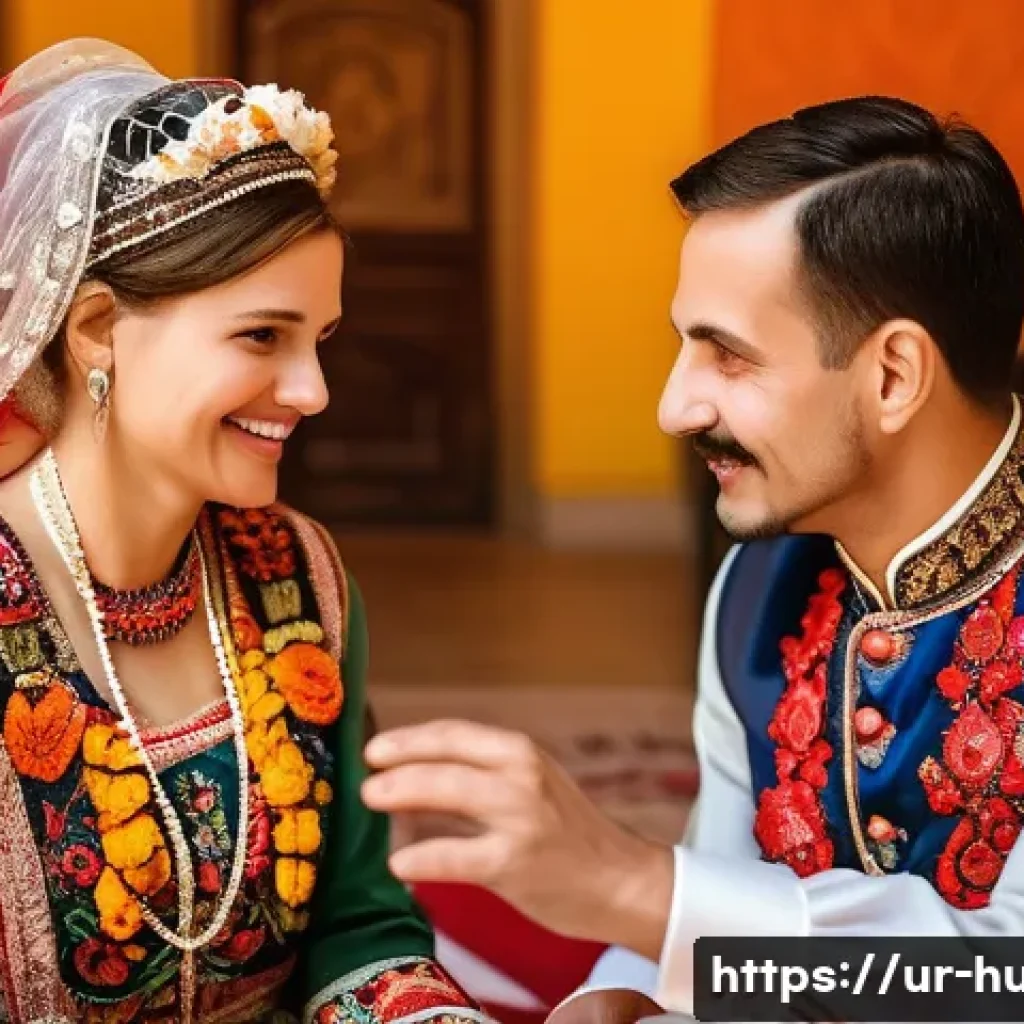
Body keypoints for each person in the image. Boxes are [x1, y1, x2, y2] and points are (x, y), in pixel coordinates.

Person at [360, 95, 1024, 1020]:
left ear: (892, 376)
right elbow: (726, 885)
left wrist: (633, 886)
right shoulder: (762, 590)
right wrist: (623, 993)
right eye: (685, 346)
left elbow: (1002, 982)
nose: (676, 408)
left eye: (729, 357)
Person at [0, 38, 492, 1024]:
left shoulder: (296, 574)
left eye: (321, 340)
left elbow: (360, 926)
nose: (311, 392)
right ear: (95, 325)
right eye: (261, 336)